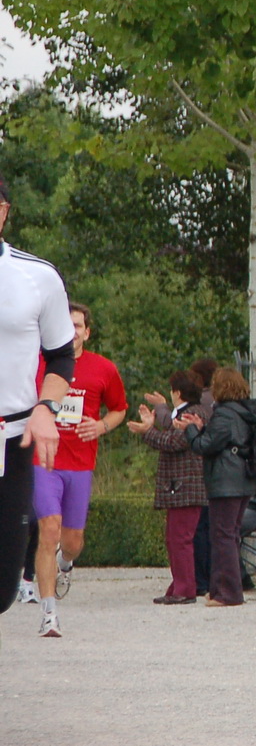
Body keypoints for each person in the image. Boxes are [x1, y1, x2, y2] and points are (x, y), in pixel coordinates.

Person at [0, 174, 78, 634]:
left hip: (12, 438)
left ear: (5, 211)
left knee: (4, 586)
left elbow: (61, 355)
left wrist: (46, 409)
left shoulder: (37, 276)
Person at [30, 300, 127, 636]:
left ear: (87, 332)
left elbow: (119, 409)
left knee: (71, 541)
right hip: (43, 460)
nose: (71, 333)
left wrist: (100, 427)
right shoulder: (38, 364)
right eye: (65, 325)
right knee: (49, 530)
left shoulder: (103, 368)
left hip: (80, 463)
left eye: (77, 327)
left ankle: (65, 563)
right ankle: (48, 613)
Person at [179, 367, 256, 607]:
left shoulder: (224, 414)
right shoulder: (245, 412)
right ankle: (219, 589)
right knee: (230, 535)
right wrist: (202, 427)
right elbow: (223, 440)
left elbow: (205, 446)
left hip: (226, 481)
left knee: (222, 536)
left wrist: (191, 430)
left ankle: (229, 593)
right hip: (242, 480)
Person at [126, 370, 207, 604]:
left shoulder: (191, 414)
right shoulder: (188, 412)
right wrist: (152, 425)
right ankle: (178, 584)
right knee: (174, 538)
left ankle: (185, 588)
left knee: (180, 538)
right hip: (181, 485)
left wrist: (147, 431)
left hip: (186, 484)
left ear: (178, 392)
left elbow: (173, 442)